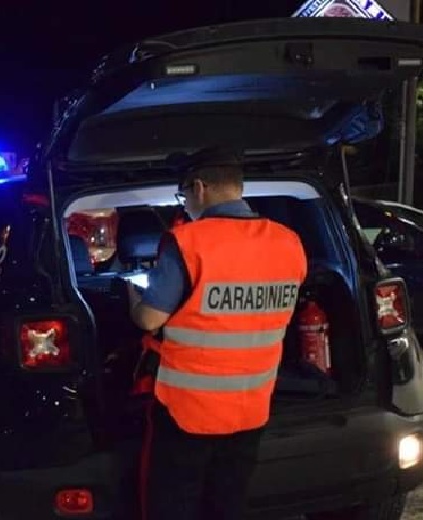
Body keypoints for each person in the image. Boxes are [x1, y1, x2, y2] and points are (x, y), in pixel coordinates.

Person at [126, 149, 308, 520]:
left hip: (187, 412)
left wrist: (132, 296)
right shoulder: (289, 242)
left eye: (184, 195)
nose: (186, 204)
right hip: (251, 407)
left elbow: (149, 320)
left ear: (199, 187)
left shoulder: (188, 242)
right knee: (227, 505)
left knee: (173, 506)